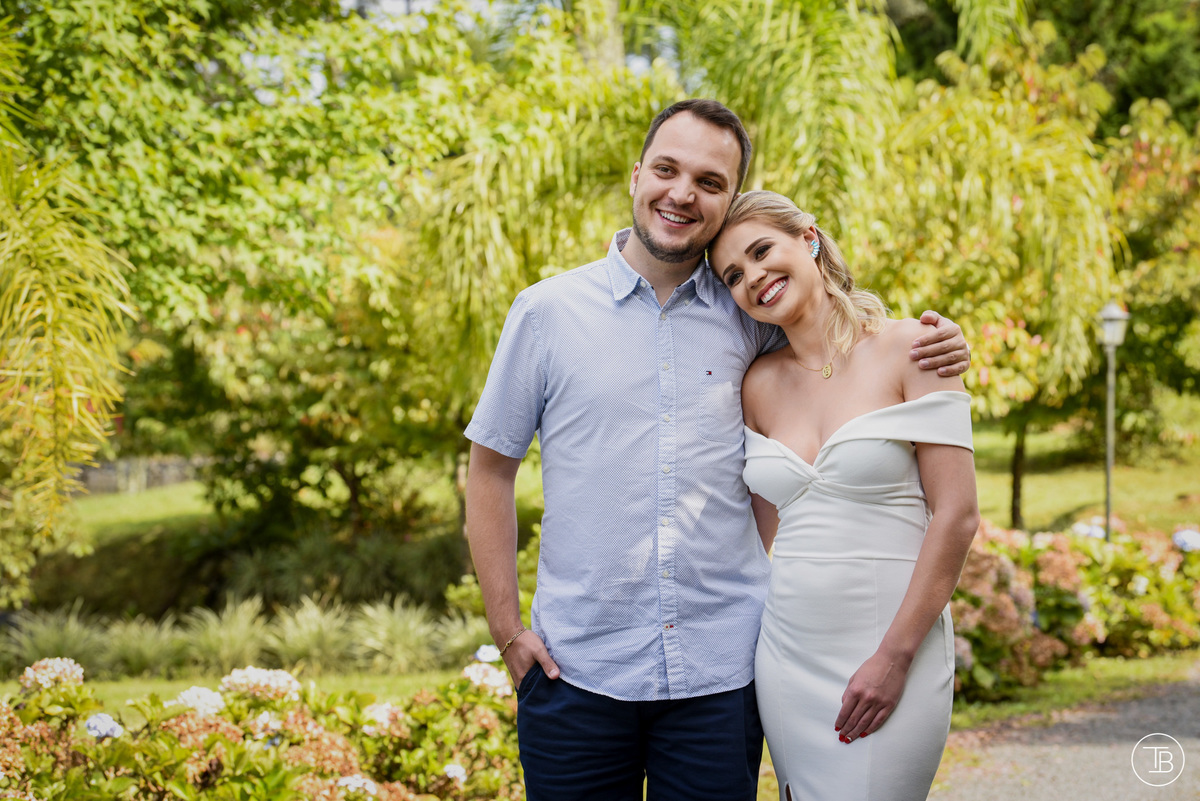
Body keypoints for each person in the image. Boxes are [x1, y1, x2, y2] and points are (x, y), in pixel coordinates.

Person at [463, 99, 970, 801]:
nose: (681, 192)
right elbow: (490, 471)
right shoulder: (547, 313)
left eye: (709, 180)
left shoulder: (750, 318)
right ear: (636, 174)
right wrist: (507, 626)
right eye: (666, 170)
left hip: (721, 678)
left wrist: (941, 341)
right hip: (574, 670)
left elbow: (838, 352)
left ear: (729, 199)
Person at [710, 190, 980, 801]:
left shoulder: (916, 347)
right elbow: (758, 533)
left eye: (761, 251)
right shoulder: (756, 384)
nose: (753, 278)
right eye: (733, 275)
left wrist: (894, 657)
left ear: (808, 237)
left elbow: (958, 517)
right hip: (786, 652)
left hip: (893, 642)